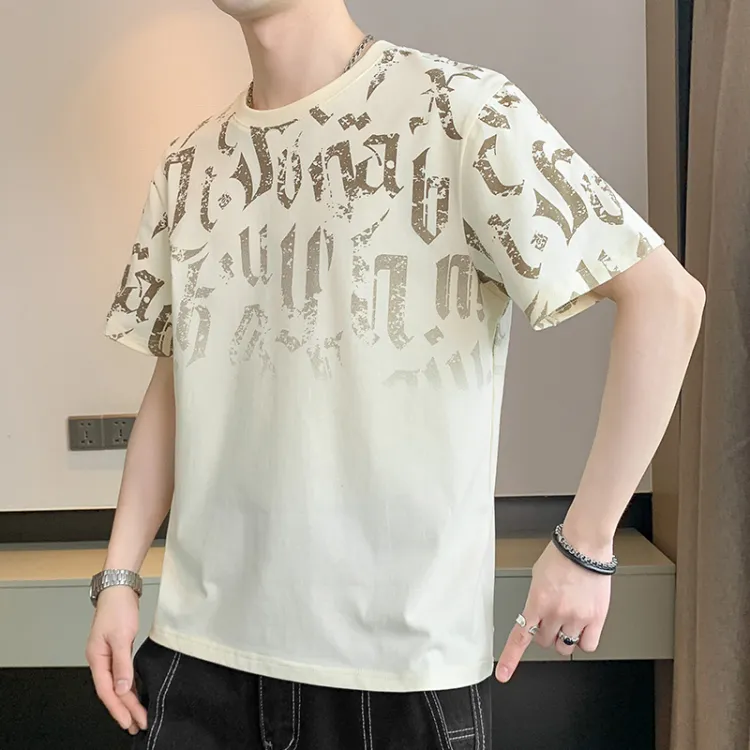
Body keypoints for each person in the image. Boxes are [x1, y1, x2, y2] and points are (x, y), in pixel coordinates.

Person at [85, 0, 705, 747]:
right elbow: (177, 378)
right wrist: (119, 576)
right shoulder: (190, 165)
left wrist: (589, 544)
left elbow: (666, 298)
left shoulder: (461, 113)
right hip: (198, 660)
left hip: (398, 676)